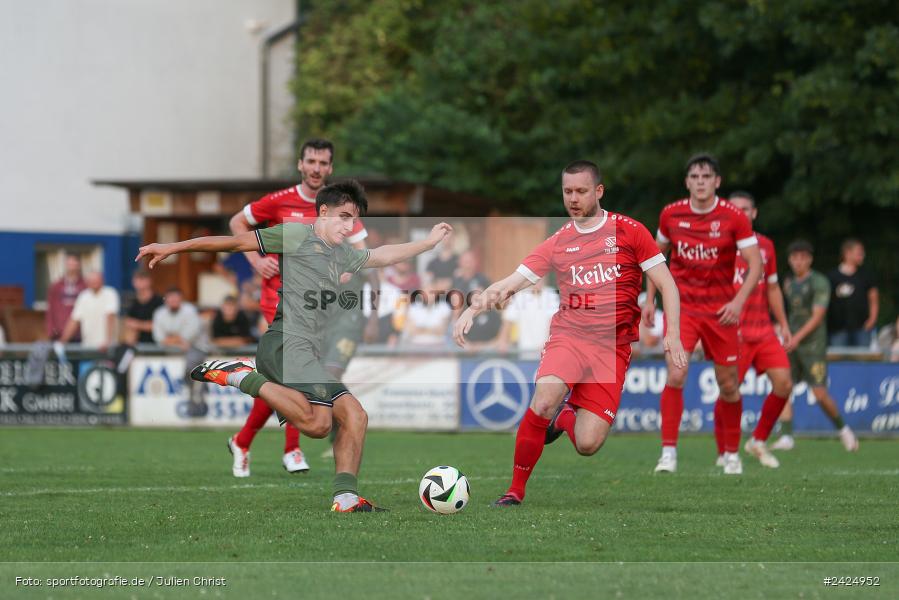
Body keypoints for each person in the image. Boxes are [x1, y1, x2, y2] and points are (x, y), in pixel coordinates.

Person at [136, 180, 453, 512]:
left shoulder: (341, 254)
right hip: (284, 344)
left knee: (356, 416)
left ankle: (345, 498)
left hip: (305, 352)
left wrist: (428, 243)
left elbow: (382, 255)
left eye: (353, 220)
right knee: (318, 425)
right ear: (324, 211)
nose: (349, 226)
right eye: (343, 217)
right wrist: (173, 247)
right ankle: (242, 376)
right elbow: (232, 243)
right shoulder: (296, 235)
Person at [453, 161, 686, 506]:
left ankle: (564, 418)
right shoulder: (559, 242)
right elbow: (511, 283)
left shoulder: (631, 231)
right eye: (567, 192)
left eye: (581, 191)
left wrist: (674, 334)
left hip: (613, 348)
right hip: (570, 336)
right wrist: (473, 308)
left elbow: (667, 283)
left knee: (589, 444)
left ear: (598, 191)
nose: (573, 199)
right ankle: (515, 490)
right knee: (544, 399)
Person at [225, 139, 371, 477]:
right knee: (296, 373)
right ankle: (291, 449)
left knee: (295, 377)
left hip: (319, 308)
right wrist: (256, 262)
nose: (317, 168)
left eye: (324, 162)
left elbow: (362, 249)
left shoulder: (338, 206)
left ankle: (245, 441)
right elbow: (237, 224)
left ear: (330, 168)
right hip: (278, 301)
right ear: (300, 165)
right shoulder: (278, 202)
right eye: (312, 161)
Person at [642, 153, 763, 475]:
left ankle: (731, 454)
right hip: (682, 309)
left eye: (706, 177)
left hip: (721, 313)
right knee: (677, 374)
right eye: (694, 177)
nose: (700, 182)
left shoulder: (734, 216)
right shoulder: (671, 214)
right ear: (687, 182)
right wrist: (650, 300)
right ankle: (668, 453)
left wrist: (737, 303)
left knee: (728, 385)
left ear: (717, 182)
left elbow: (756, 264)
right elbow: (655, 257)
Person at [715, 192, 793, 469]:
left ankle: (758, 440)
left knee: (784, 384)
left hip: (763, 331)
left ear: (754, 213)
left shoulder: (765, 246)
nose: (740, 213)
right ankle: (724, 452)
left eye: (746, 209)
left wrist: (783, 324)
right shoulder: (717, 245)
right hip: (731, 331)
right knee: (728, 390)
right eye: (735, 209)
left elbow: (772, 287)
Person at [770, 240, 859, 452]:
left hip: (813, 346)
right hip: (792, 343)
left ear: (810, 259)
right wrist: (782, 329)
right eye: (795, 257)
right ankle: (786, 436)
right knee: (783, 387)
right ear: (790, 260)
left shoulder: (819, 282)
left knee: (819, 393)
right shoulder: (789, 282)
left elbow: (817, 317)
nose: (798, 261)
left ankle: (844, 430)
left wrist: (796, 337)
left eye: (803, 257)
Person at [826, 239, 879, 348]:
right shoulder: (832, 276)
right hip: (837, 329)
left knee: (863, 362)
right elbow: (825, 302)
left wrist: (872, 320)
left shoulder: (866, 275)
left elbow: (874, 299)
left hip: (862, 328)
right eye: (859, 252)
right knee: (839, 362)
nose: (862, 255)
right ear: (847, 253)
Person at [496, 278, 560, 357]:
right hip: (525, 353)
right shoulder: (520, 296)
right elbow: (508, 320)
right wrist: (503, 341)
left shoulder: (551, 295)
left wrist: (547, 343)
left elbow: (553, 322)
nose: (538, 281)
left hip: (547, 353)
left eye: (541, 278)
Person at [59, 271, 120, 351]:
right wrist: (61, 342)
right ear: (87, 282)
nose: (95, 283)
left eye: (97, 280)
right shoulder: (83, 296)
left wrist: (108, 341)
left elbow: (110, 316)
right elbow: (74, 320)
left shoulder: (110, 293)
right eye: (92, 281)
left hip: (107, 349)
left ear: (102, 280)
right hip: (88, 348)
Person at [451, 250, 501, 344]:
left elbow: (492, 301)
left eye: (470, 262)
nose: (468, 265)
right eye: (465, 262)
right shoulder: (456, 281)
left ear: (474, 263)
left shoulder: (483, 279)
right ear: (460, 263)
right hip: (465, 330)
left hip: (483, 322)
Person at [402, 279, 453, 347]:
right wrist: (432, 330)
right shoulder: (413, 308)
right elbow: (411, 330)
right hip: (415, 346)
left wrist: (420, 330)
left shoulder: (444, 307)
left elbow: (441, 331)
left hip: (438, 346)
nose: (428, 295)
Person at [46, 253, 85, 341]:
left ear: (79, 266)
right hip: (59, 332)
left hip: (79, 333)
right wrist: (50, 329)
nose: (72, 268)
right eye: (69, 264)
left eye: (74, 265)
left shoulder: (85, 286)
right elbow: (50, 309)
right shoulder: (56, 286)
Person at [123, 269, 163, 345]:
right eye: (137, 280)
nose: (139, 283)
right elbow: (128, 324)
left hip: (157, 346)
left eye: (142, 279)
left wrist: (137, 325)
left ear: (149, 281)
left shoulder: (159, 301)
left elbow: (158, 326)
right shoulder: (132, 302)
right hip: (137, 347)